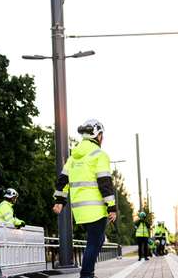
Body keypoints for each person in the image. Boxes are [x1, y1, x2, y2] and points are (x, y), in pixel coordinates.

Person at [53, 119, 117, 278]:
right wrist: (112, 207)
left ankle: (88, 273)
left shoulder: (74, 157)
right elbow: (105, 182)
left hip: (80, 209)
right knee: (94, 242)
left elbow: (63, 180)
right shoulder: (99, 155)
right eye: (102, 135)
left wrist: (59, 201)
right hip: (95, 207)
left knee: (98, 239)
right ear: (98, 135)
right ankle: (87, 274)